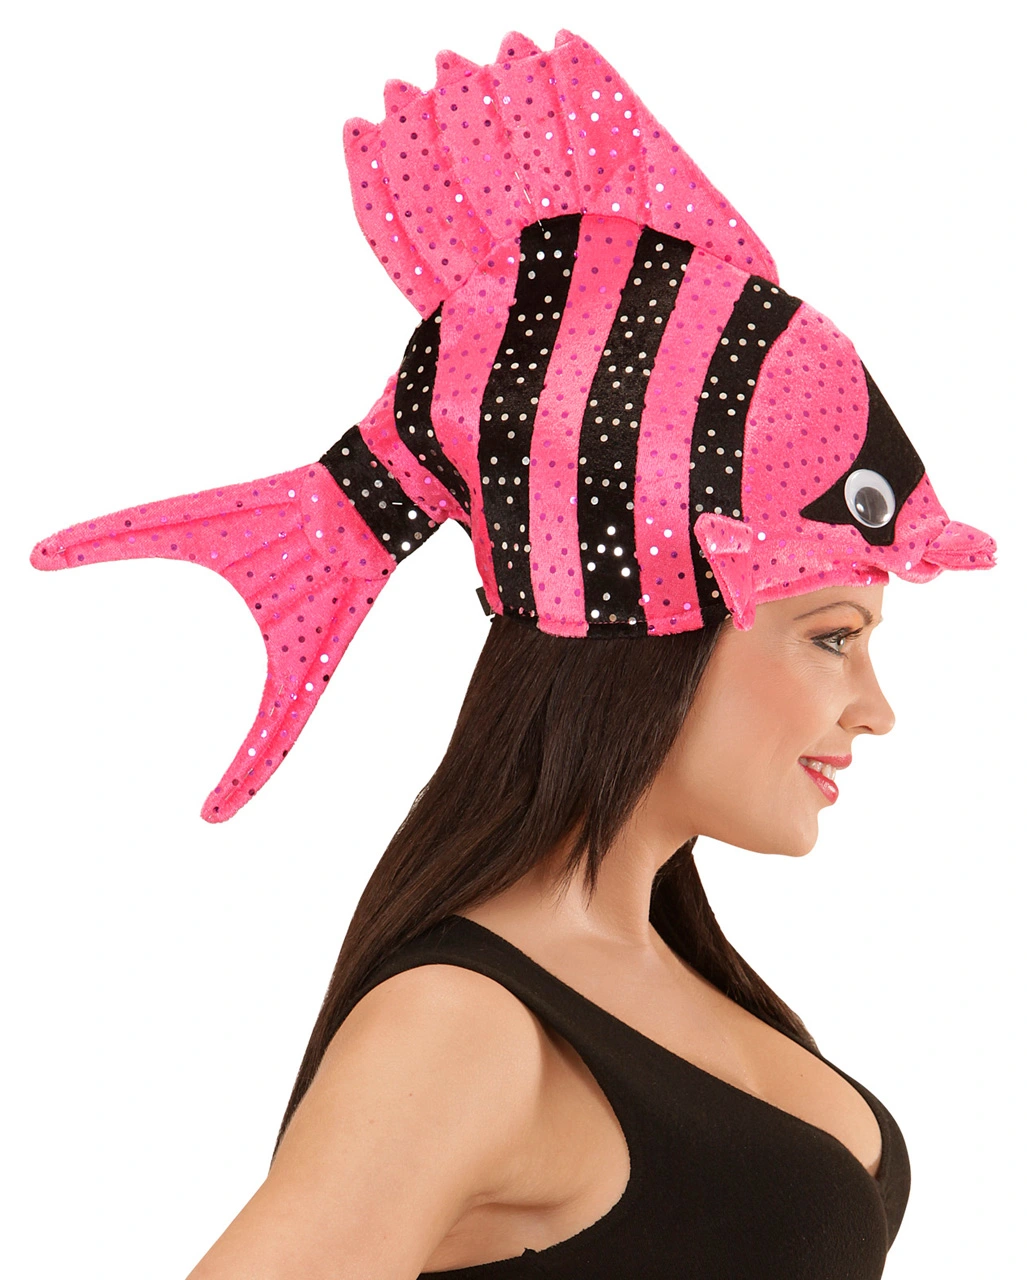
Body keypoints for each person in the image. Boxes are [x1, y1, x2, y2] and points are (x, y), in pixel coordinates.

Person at [30, 28, 996, 1280]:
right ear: (652, 616)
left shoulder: (654, 969)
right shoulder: (462, 1028)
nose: (874, 707)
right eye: (833, 636)